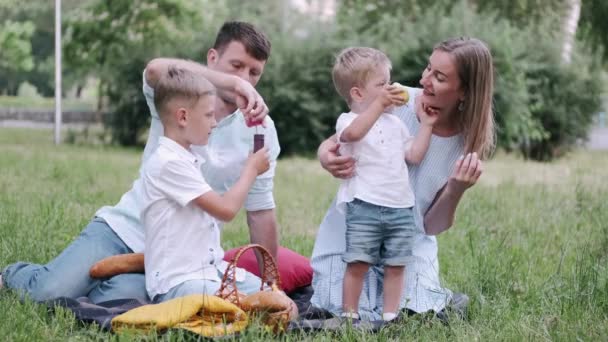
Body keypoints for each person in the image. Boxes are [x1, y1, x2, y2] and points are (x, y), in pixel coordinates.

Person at [1, 21, 280, 304]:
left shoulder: (261, 130)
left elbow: (260, 212)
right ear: (212, 58)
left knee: (121, 301)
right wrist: (229, 82)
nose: (245, 78)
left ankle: (109, 278)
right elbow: (156, 69)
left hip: (176, 257)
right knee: (48, 293)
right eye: (236, 66)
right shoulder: (177, 94)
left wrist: (271, 284)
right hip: (122, 231)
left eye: (254, 72)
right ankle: (15, 274)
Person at [311, 37, 495, 321]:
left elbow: (431, 225)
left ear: (465, 92)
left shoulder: (466, 144)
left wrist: (456, 189)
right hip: (355, 227)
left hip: (408, 238)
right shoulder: (395, 99)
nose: (425, 80)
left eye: (440, 77)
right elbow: (338, 137)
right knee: (343, 305)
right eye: (428, 68)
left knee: (413, 308)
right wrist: (326, 156)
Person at [141, 66, 269, 302]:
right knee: (246, 309)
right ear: (182, 117)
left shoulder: (189, 157)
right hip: (178, 283)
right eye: (209, 115)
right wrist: (251, 169)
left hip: (209, 272)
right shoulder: (167, 162)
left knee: (280, 302)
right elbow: (226, 210)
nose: (214, 123)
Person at [330, 47, 437, 322]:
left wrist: (426, 125)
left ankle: (390, 315)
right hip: (364, 205)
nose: (391, 88)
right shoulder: (348, 120)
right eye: (382, 84)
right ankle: (350, 315)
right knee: (357, 262)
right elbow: (352, 135)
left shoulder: (396, 124)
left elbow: (413, 155)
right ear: (358, 93)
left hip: (400, 207)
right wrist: (378, 107)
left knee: (396, 264)